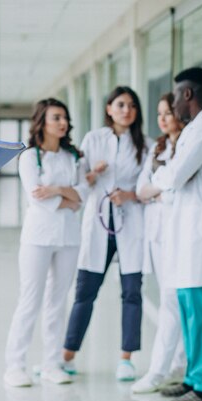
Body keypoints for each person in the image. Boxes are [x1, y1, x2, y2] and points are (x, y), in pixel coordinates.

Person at [144, 67, 202, 401]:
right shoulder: (197, 129)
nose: (174, 103)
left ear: (188, 95)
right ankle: (194, 376)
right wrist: (164, 175)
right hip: (189, 232)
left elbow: (173, 175)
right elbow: (170, 175)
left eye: (177, 96)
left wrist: (162, 175)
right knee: (189, 307)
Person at [62, 86, 149, 381]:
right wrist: (93, 175)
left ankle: (126, 359)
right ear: (109, 108)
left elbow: (149, 186)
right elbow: (79, 183)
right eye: (121, 105)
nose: (127, 110)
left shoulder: (146, 145)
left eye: (132, 106)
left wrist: (130, 194)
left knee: (132, 292)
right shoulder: (93, 139)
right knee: (85, 291)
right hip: (98, 224)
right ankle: (68, 354)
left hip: (131, 223)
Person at [4, 98, 88, 387]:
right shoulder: (29, 157)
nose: (62, 122)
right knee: (30, 300)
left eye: (64, 117)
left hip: (68, 238)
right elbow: (36, 199)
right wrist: (70, 197)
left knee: (57, 303)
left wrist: (56, 190)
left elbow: (84, 195)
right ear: (42, 122)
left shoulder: (74, 156)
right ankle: (15, 365)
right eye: (56, 118)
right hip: (37, 238)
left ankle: (52, 363)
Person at [132, 93, 186, 394]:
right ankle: (176, 364)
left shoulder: (189, 145)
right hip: (158, 235)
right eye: (159, 113)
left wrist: (159, 191)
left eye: (168, 112)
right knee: (171, 299)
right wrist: (161, 191)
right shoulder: (157, 147)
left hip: (178, 234)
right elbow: (141, 190)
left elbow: (175, 191)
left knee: (172, 300)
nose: (163, 119)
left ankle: (163, 368)